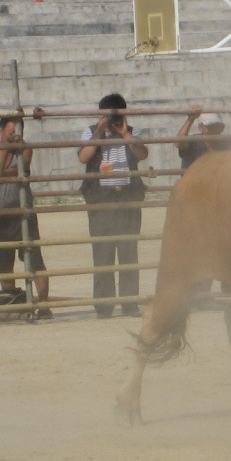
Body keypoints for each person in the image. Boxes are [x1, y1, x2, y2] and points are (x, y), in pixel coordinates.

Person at [78, 93, 148, 319]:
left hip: (127, 196)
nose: (113, 121)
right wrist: (99, 131)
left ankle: (129, 304)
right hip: (101, 198)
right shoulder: (91, 132)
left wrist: (125, 134)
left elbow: (142, 154)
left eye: (117, 116)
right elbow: (84, 157)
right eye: (109, 117)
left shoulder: (132, 131)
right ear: (100, 115)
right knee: (103, 253)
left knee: (128, 252)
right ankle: (104, 307)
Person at [0, 117, 52, 318]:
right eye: (11, 133)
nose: (14, 137)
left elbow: (21, 169)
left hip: (22, 215)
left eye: (18, 133)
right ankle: (12, 302)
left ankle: (43, 305)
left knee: (34, 261)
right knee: (4, 262)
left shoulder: (24, 149)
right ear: (1, 131)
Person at [174, 104, 231, 169]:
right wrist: (191, 119)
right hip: (194, 183)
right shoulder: (194, 141)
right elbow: (179, 143)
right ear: (200, 127)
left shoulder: (223, 142)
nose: (214, 130)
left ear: (222, 128)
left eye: (218, 126)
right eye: (210, 127)